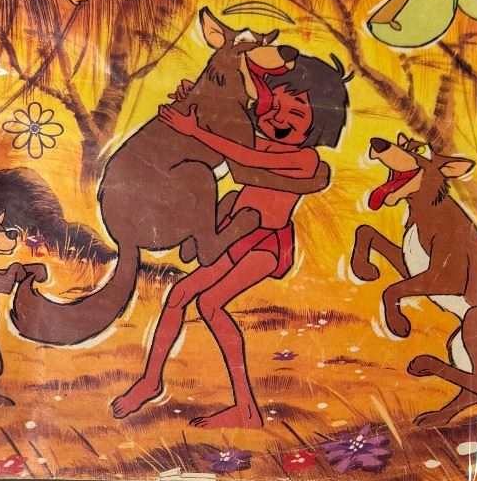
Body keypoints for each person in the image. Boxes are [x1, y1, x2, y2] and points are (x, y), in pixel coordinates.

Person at [111, 54, 350, 430]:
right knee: (179, 296)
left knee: (209, 303)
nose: (279, 118)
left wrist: (195, 130)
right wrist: (200, 99)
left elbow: (243, 158)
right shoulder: (262, 137)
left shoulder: (304, 158)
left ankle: (246, 411)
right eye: (274, 106)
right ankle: (151, 381)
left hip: (265, 243)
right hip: (239, 232)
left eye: (295, 113)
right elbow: (232, 128)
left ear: (320, 122)